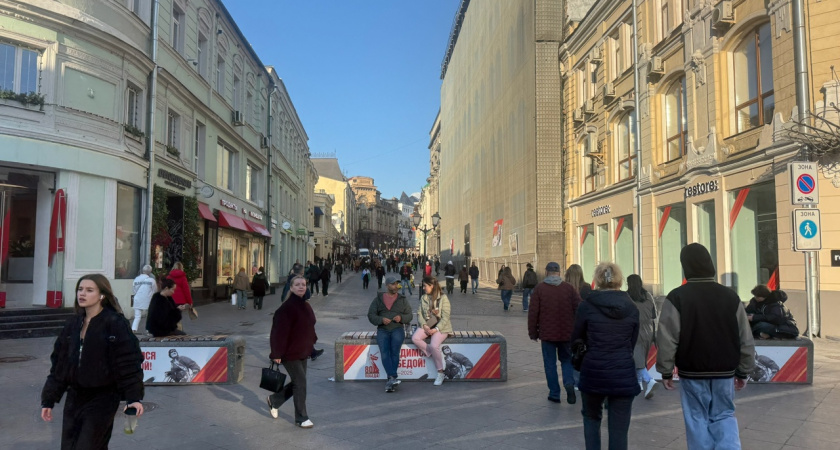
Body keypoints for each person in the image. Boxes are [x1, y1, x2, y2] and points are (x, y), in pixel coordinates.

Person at [657, 243, 755, 449]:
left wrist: (666, 371)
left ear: (686, 266)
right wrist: (744, 370)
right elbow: (745, 338)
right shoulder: (730, 297)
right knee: (725, 414)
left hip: (692, 370)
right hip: (725, 370)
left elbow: (667, 338)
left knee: (696, 417)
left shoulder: (677, 297)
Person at [41, 274, 145, 449]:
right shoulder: (73, 324)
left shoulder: (115, 323)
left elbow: (128, 361)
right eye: (80, 289)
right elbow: (59, 364)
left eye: (89, 290)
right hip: (75, 396)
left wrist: (133, 398)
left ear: (102, 295)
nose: (82, 294)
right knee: (70, 446)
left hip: (103, 396)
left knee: (87, 445)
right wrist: (49, 399)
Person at [571, 262, 640, 450]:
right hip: (622, 373)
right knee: (619, 428)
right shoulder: (632, 307)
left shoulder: (586, 306)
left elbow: (576, 337)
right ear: (619, 280)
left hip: (593, 370)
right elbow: (632, 342)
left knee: (591, 418)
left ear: (598, 280)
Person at [528, 262, 582, 404]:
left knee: (550, 363)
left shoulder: (539, 289)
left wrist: (533, 332)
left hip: (547, 334)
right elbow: (579, 309)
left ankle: (554, 393)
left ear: (546, 272)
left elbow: (533, 313)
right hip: (567, 333)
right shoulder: (569, 289)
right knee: (566, 360)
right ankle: (569, 383)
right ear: (559, 273)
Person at [267, 276, 317, 428]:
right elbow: (277, 333)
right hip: (289, 353)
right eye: (297, 285)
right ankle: (301, 418)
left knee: (298, 383)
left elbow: (309, 328)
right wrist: (276, 354)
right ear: (291, 287)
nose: (301, 287)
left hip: (303, 351)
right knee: (300, 383)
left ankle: (275, 400)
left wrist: (312, 347)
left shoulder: (306, 305)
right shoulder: (286, 308)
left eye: (303, 284)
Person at [367, 274, 413, 392]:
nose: (396, 286)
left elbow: (409, 315)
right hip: (383, 329)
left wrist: (401, 318)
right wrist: (381, 320)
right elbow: (371, 315)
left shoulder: (402, 299)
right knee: (384, 352)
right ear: (387, 285)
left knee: (394, 352)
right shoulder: (378, 299)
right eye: (393, 284)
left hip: (397, 328)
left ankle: (391, 380)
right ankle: (392, 377)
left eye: (396, 284)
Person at [412, 276, 452, 386]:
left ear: (432, 286)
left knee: (434, 345)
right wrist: (424, 325)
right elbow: (419, 313)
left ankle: (440, 372)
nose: (424, 288)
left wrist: (436, 329)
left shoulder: (443, 298)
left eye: (425, 286)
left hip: (441, 327)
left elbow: (446, 317)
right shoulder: (423, 298)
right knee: (415, 338)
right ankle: (431, 353)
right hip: (428, 325)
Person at [626, 274, 658, 399]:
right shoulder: (648, 296)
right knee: (640, 359)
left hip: (634, 332)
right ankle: (639, 385)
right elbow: (654, 315)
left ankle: (649, 380)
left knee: (637, 361)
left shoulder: (627, 297)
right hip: (648, 332)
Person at [131, 265, 156, 333]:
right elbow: (154, 291)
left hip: (137, 299)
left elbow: (134, 290)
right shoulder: (152, 280)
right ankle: (148, 330)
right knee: (149, 315)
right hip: (148, 300)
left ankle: (134, 329)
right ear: (150, 272)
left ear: (142, 271)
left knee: (137, 316)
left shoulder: (136, 279)